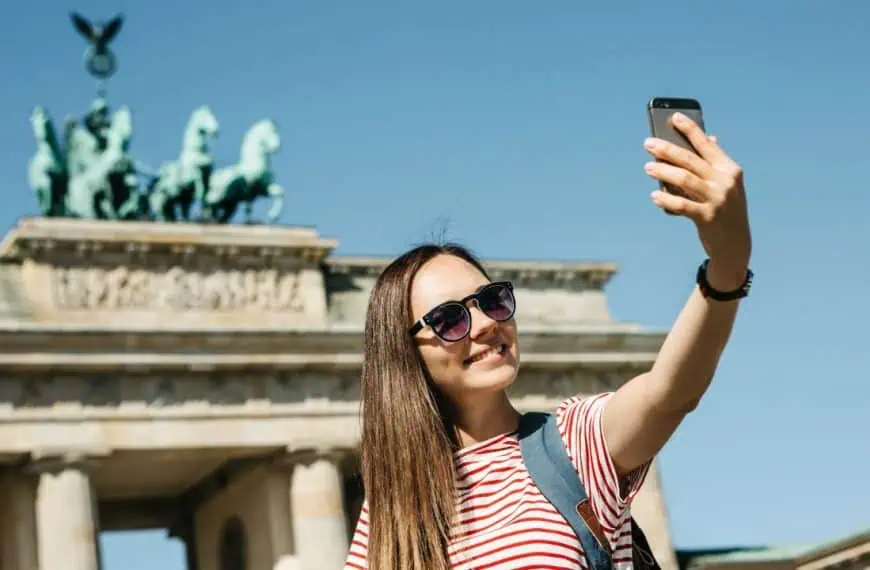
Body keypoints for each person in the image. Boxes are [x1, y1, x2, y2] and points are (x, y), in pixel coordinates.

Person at [343, 112, 752, 570]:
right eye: (449, 319)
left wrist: (727, 264)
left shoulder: (573, 444)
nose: (482, 324)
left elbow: (670, 392)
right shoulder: (389, 517)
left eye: (491, 300)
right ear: (405, 356)